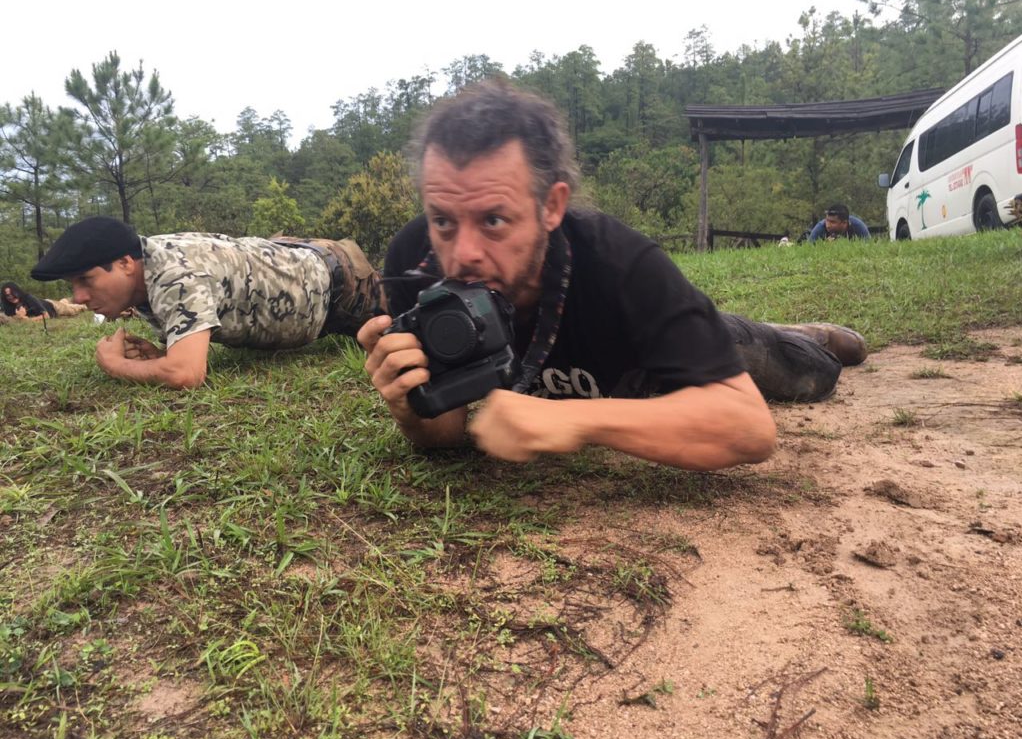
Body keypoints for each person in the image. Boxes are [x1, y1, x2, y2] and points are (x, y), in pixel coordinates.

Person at [358, 81, 867, 472]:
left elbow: (749, 429)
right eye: (443, 220)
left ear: (552, 205)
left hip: (653, 360)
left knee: (812, 374)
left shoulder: (620, 261)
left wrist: (571, 420)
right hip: (613, 384)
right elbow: (444, 435)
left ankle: (801, 334)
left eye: (494, 220)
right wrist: (407, 404)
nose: (462, 253)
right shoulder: (415, 261)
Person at [29, 218, 383, 389]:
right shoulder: (146, 267)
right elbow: (181, 355)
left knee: (417, 312)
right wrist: (163, 354)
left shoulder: (173, 273)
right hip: (293, 258)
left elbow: (187, 374)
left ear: (124, 264)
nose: (77, 297)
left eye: (85, 280)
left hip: (342, 286)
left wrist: (114, 364)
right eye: (72, 285)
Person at [1, 281, 87, 321]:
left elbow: (46, 316)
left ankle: (84, 305)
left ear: (18, 291)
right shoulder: (7, 305)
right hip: (43, 302)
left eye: (13, 293)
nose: (11, 297)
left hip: (52, 306)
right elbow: (9, 318)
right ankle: (65, 300)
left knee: (73, 310)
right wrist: (19, 317)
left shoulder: (28, 298)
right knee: (63, 303)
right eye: (8, 295)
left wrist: (26, 319)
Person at [807, 204, 871, 242]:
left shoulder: (858, 226)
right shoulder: (820, 228)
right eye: (826, 220)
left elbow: (869, 247)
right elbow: (809, 250)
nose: (828, 225)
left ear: (844, 222)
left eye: (832, 222)